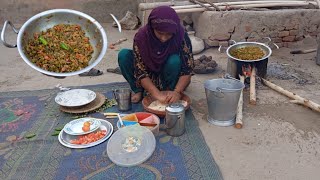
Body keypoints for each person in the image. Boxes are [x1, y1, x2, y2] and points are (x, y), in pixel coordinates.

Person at [118, 6, 194, 104]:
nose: (164, 38)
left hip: (168, 72)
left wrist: (177, 91)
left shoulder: (181, 35)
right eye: (160, 33)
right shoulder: (142, 36)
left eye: (169, 34)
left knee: (174, 60)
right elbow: (140, 71)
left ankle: (169, 92)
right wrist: (157, 94)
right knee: (124, 55)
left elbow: (187, 69)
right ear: (152, 27)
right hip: (148, 73)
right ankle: (138, 90)